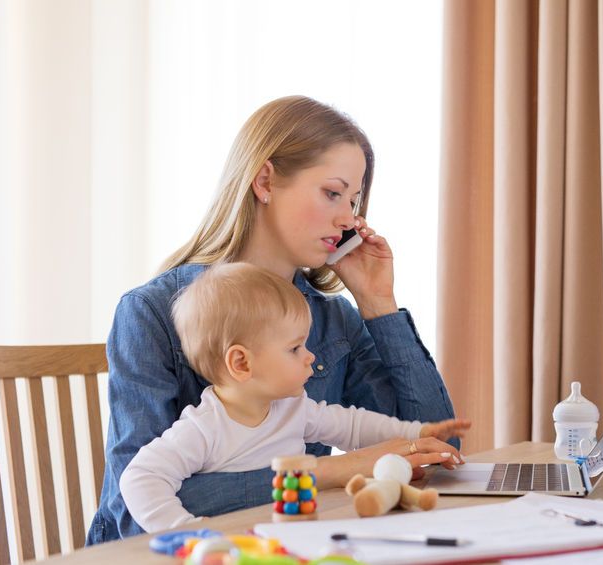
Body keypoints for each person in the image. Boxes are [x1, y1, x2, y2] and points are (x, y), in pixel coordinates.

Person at [88, 96, 458, 543]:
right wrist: (327, 472)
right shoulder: (151, 313)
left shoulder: (333, 320)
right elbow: (136, 505)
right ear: (265, 180)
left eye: (355, 200)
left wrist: (378, 302)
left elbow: (438, 453)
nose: (348, 219)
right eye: (332, 193)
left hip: (280, 544)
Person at [120, 263, 469, 532]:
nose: (310, 357)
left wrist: (417, 433)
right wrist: (187, 534)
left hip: (288, 536)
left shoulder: (292, 409)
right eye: (295, 348)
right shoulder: (203, 428)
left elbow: (353, 426)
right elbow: (140, 479)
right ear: (241, 362)